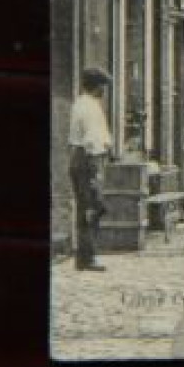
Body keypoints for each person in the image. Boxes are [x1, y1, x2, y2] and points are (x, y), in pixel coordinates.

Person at [67, 68, 113, 271]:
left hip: (82, 158)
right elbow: (92, 140)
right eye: (103, 86)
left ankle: (84, 256)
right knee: (93, 207)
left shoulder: (84, 103)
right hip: (89, 160)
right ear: (96, 86)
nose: (105, 90)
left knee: (87, 207)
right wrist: (97, 170)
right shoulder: (89, 107)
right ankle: (88, 256)